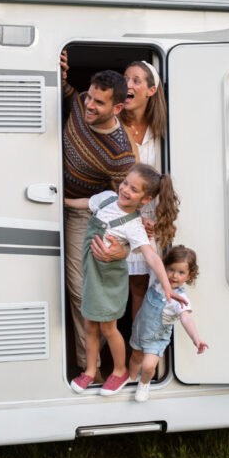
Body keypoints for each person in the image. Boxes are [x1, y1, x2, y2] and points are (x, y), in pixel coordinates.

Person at [64, 163, 183, 396]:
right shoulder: (106, 199)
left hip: (109, 280)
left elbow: (152, 256)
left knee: (108, 328)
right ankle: (89, 370)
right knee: (89, 324)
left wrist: (167, 288)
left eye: (134, 190)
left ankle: (119, 371)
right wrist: (63, 202)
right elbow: (85, 203)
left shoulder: (133, 225)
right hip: (92, 273)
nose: (126, 190)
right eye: (126, 183)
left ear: (145, 199)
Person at [61, 50, 135, 373]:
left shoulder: (120, 154)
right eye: (89, 97)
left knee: (82, 294)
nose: (89, 106)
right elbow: (68, 97)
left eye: (99, 103)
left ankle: (89, 369)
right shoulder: (80, 105)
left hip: (84, 216)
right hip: (51, 201)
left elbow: (127, 206)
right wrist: (62, 77)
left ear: (117, 108)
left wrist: (124, 246)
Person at [119, 60, 175, 320]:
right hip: (123, 213)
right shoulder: (114, 125)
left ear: (151, 91)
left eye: (136, 81)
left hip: (151, 218)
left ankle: (140, 354)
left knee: (143, 287)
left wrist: (157, 219)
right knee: (120, 286)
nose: (127, 85)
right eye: (125, 79)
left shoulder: (161, 130)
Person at [129, 245, 209, 402]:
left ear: (189, 275)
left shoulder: (181, 299)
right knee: (135, 356)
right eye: (171, 270)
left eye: (181, 273)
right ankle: (131, 379)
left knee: (148, 366)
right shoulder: (157, 281)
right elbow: (152, 254)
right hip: (140, 329)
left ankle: (144, 383)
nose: (174, 276)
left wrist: (196, 338)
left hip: (156, 338)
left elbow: (186, 318)